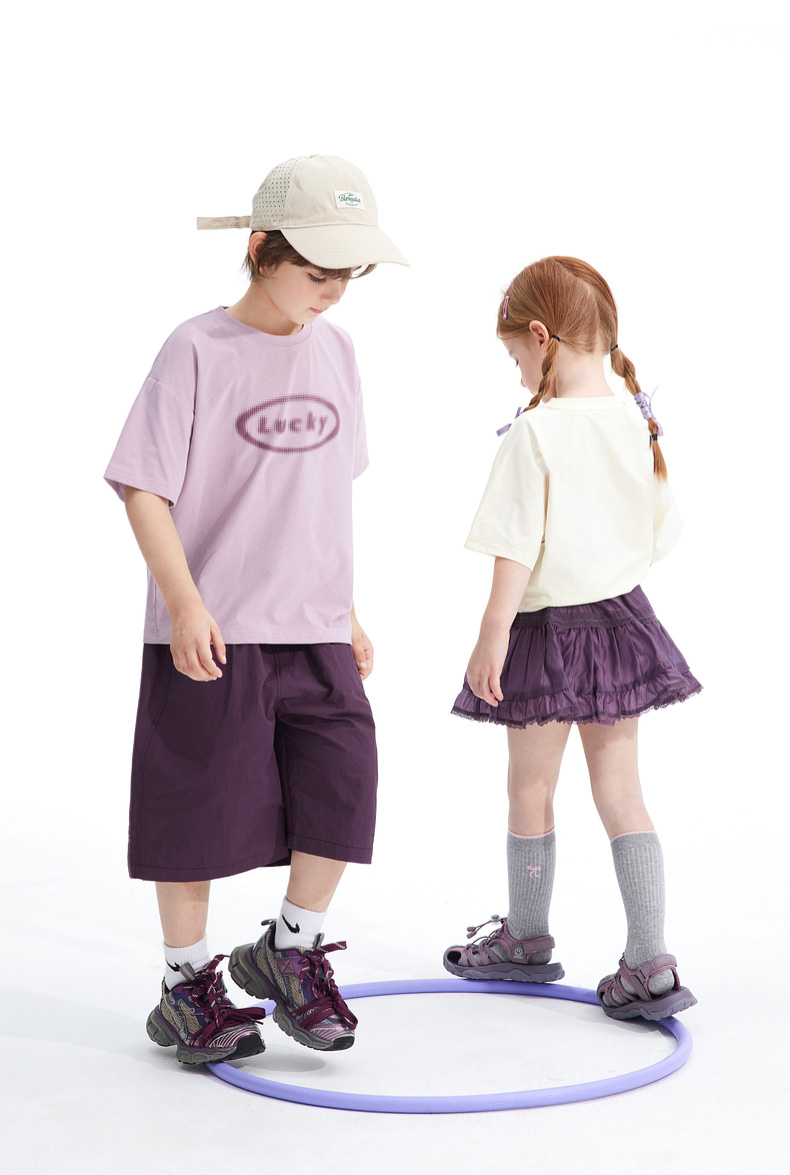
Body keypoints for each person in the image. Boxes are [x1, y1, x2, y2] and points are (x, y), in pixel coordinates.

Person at [104, 155, 408, 1064]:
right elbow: (143, 487)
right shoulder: (195, 348)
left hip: (313, 625)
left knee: (343, 787)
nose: (335, 291)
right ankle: (185, 985)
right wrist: (185, 603)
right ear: (260, 248)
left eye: (349, 274)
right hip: (216, 627)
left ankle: (288, 948)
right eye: (317, 271)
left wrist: (345, 610)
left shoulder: (338, 351)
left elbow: (318, 494)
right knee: (194, 810)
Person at [444, 256, 700, 1021]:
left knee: (531, 787)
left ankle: (526, 938)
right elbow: (660, 534)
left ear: (539, 335)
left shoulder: (537, 432)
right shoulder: (635, 423)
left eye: (515, 357)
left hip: (546, 634)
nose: (519, 373)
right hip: (622, 626)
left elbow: (514, 545)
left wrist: (491, 634)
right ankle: (651, 960)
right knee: (622, 790)